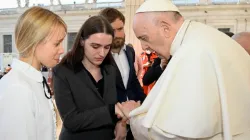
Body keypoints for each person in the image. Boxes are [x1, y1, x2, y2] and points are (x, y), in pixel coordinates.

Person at [117, 0, 250, 139]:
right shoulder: (203, 37)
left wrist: (134, 116)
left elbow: (172, 135)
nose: (143, 47)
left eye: (144, 38)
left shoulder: (192, 52)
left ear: (165, 28)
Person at [53, 16, 125, 140]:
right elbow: (71, 121)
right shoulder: (62, 71)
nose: (102, 53)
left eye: (107, 47)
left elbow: (120, 102)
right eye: (95, 46)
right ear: (82, 41)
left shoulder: (111, 69)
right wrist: (111, 111)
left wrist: (121, 123)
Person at [0, 6, 66, 140]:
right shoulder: (17, 88)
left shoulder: (32, 80)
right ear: (35, 42)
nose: (62, 50)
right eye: (57, 43)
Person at [99, 8, 146, 140]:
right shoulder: (99, 58)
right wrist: (120, 121)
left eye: (120, 29)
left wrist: (146, 105)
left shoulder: (129, 51)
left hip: (133, 120)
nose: (118, 35)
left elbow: (133, 82)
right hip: (110, 125)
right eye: (112, 31)